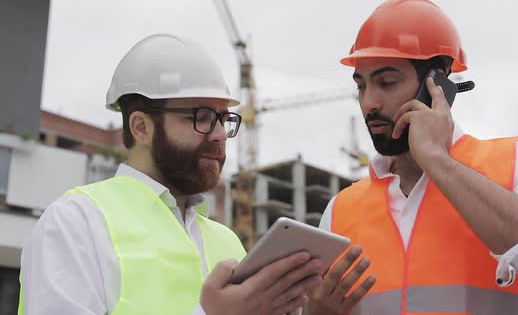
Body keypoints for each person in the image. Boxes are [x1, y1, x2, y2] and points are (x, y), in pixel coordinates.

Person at [305, 0, 518, 315]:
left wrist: (436, 159)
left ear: (436, 83)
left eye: (386, 82)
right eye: (361, 86)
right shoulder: (341, 210)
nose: (369, 102)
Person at [19, 34, 324, 315]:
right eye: (202, 117)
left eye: (223, 119)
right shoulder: (76, 222)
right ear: (141, 127)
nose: (219, 134)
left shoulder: (228, 240)